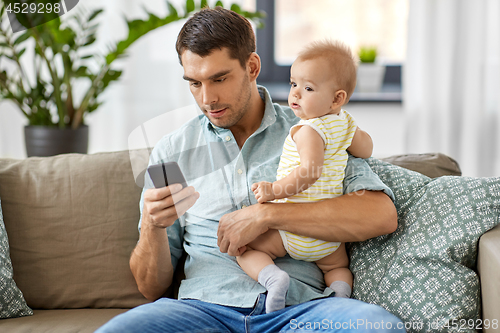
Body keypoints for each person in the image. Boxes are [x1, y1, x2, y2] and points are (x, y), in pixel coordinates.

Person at [96, 7, 403, 333]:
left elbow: (381, 215)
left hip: (301, 311)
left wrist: (267, 216)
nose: (207, 99)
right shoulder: (170, 152)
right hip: (204, 310)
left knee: (377, 327)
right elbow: (150, 287)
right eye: (194, 83)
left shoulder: (315, 129)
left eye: (219, 79)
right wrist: (153, 227)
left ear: (252, 66)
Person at [238, 40, 372, 314]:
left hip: (294, 230)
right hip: (328, 236)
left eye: (308, 88)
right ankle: (340, 293)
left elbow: (310, 171)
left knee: (243, 246)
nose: (296, 94)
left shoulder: (307, 130)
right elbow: (366, 149)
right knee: (337, 267)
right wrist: (352, 133)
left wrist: (274, 191)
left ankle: (273, 278)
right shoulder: (345, 123)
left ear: (337, 98)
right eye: (293, 84)